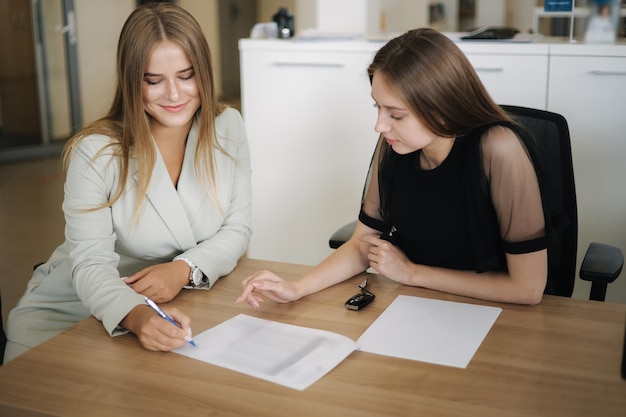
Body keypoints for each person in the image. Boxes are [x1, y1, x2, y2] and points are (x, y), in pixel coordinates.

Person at [238, 28, 561, 309]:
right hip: (418, 306)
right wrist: (297, 288)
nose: (379, 125)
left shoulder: (498, 149)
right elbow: (364, 244)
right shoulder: (394, 145)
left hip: (500, 318)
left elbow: (529, 289)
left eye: (396, 114)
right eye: (377, 107)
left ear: (442, 108)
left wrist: (411, 273)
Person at [4, 3, 252, 363]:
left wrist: (183, 269)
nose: (174, 94)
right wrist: (137, 316)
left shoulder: (228, 126)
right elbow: (90, 264)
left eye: (187, 75)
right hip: (72, 312)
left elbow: (238, 228)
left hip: (174, 302)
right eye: (154, 81)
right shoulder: (95, 152)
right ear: (132, 79)